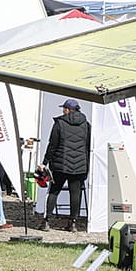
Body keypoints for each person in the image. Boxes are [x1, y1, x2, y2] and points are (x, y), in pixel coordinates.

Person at [40, 98, 92, 231]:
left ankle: (46, 221)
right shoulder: (86, 124)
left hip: (60, 165)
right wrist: (86, 166)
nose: (63, 111)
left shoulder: (60, 123)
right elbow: (88, 147)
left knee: (53, 191)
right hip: (79, 166)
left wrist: (45, 162)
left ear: (68, 110)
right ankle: (72, 223)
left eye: (64, 108)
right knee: (75, 194)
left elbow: (52, 145)